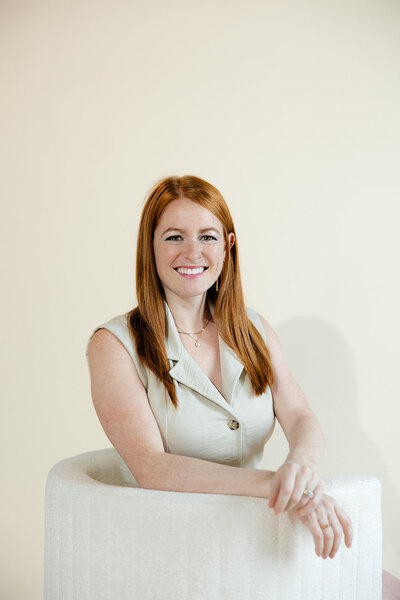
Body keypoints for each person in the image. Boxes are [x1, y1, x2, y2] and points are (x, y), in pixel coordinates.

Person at [86, 174, 399, 595]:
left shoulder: (254, 329)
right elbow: (150, 467)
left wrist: (300, 469)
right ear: (151, 246)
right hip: (171, 548)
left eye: (208, 237)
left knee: (381, 584)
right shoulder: (114, 345)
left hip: (255, 530)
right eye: (174, 237)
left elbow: (301, 416)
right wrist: (276, 486)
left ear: (228, 246)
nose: (193, 252)